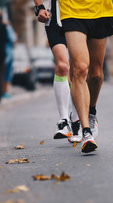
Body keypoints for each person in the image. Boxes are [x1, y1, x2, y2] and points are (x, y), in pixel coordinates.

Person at [58, 0, 113, 153]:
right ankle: (86, 132)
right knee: (81, 69)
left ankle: (91, 112)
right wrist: (40, 6)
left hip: (100, 11)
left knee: (96, 74)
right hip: (71, 11)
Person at [34, 0, 81, 143]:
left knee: (77, 69)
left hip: (79, 15)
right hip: (55, 17)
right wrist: (40, 7)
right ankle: (64, 120)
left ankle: (76, 120)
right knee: (62, 66)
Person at [2, 20, 17, 99]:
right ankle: (5, 92)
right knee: (6, 73)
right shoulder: (8, 28)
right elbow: (13, 39)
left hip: (0, 53)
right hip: (8, 53)